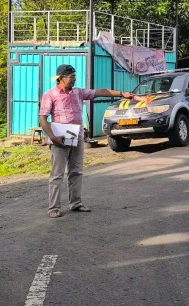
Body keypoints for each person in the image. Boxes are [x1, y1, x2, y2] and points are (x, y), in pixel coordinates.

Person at [38, 64, 133, 218]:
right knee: (57, 174)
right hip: (59, 139)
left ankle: (75, 203)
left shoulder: (78, 92)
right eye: (71, 77)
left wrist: (122, 93)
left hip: (77, 137)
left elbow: (100, 92)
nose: (74, 79)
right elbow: (43, 118)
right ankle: (54, 207)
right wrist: (52, 137)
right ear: (61, 78)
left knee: (76, 172)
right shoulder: (50, 95)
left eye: (75, 76)